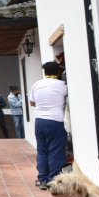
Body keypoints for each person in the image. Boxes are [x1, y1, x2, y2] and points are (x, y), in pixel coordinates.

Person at [30, 60, 69, 189]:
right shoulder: (62, 85)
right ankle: (53, 180)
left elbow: (32, 103)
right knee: (55, 151)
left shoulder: (36, 84)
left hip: (39, 121)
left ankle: (42, 179)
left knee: (42, 150)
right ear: (58, 71)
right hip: (55, 121)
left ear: (44, 72)